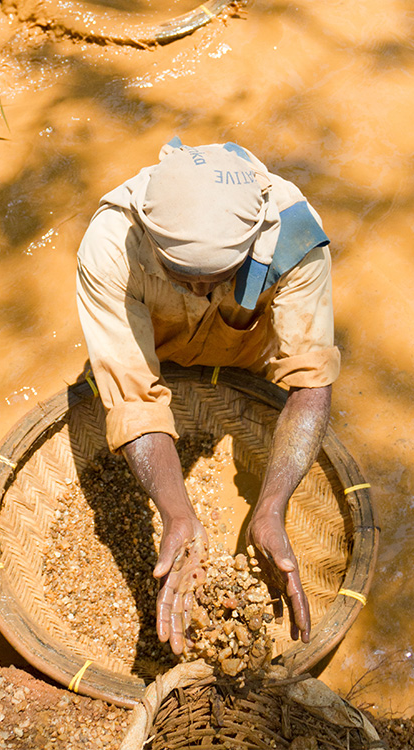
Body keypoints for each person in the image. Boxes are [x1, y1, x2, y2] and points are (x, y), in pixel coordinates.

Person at [76, 138, 340, 657]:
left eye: (215, 280)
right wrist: (177, 514)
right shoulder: (112, 240)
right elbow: (134, 396)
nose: (199, 292)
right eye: (182, 277)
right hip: (153, 348)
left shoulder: (294, 238)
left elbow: (309, 381)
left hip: (242, 353)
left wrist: (270, 507)